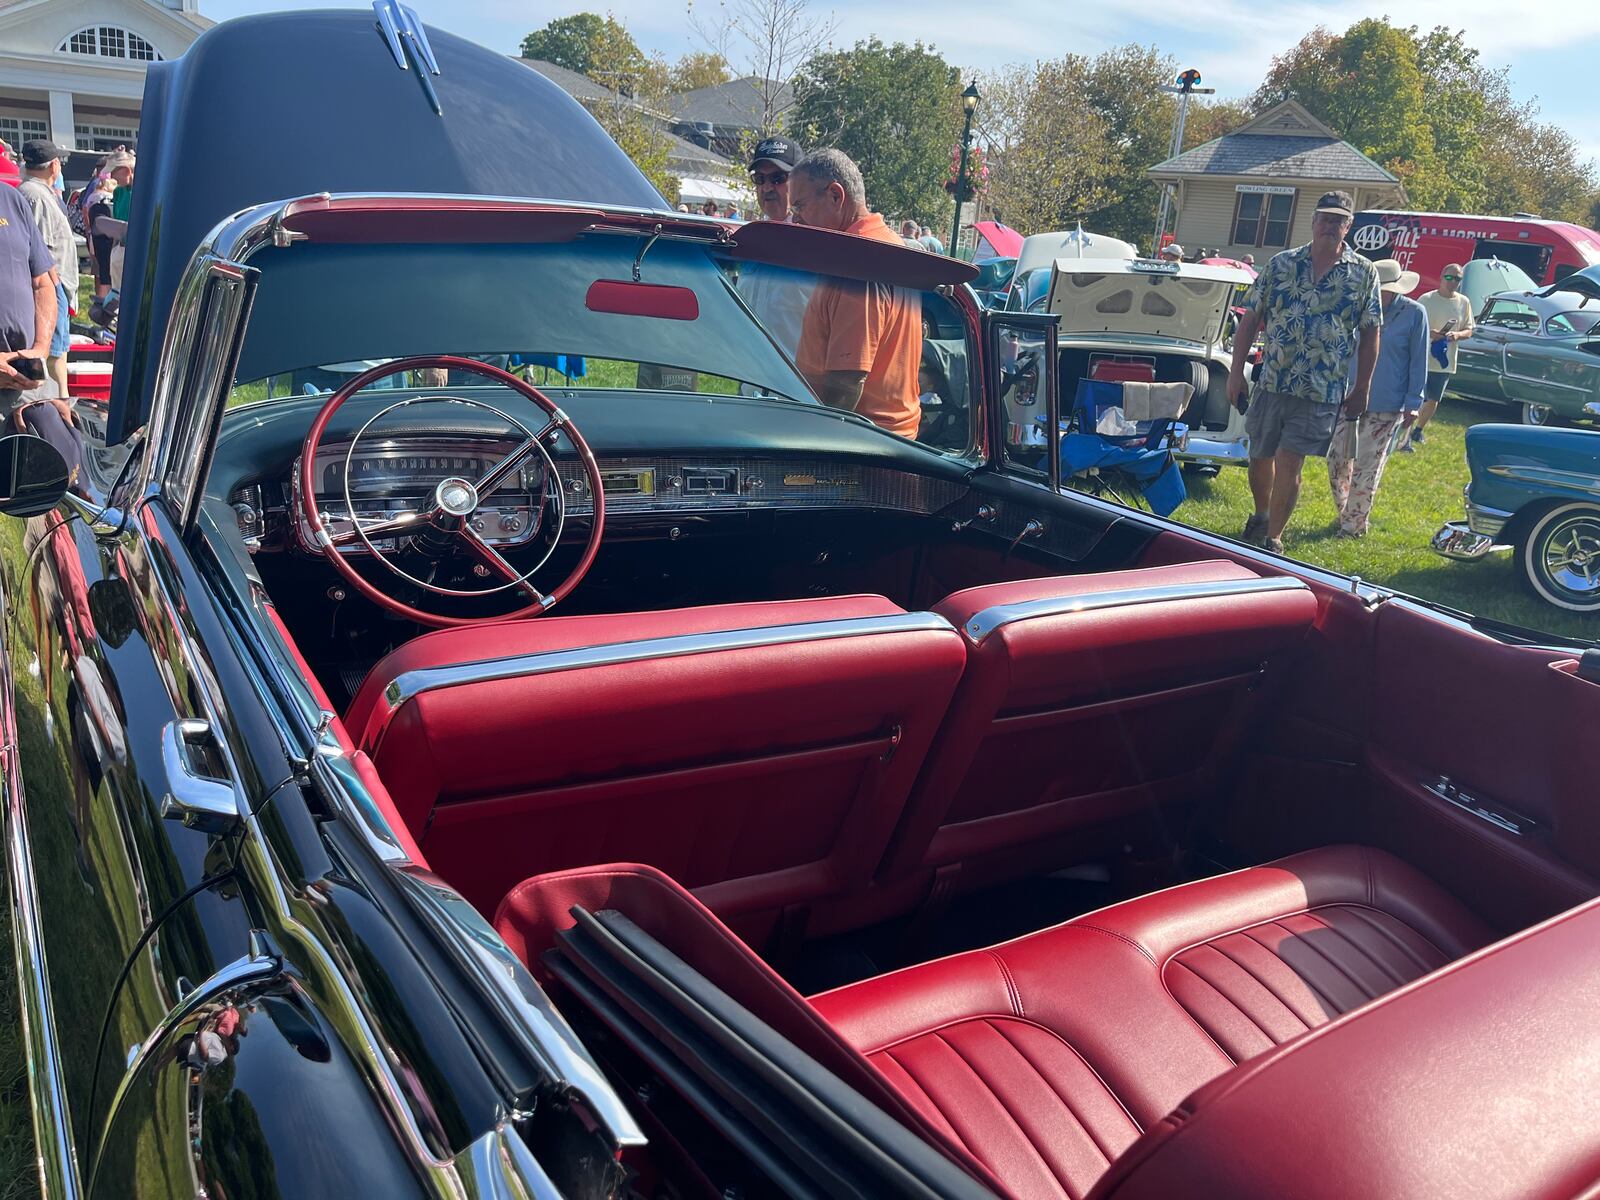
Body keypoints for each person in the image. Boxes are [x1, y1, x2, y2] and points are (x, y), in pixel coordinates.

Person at [1227, 190, 1381, 554]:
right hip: (1272, 380)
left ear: (1349, 226)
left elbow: (1372, 331)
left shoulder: (1363, 273)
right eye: (1325, 218)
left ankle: (1273, 538)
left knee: (1290, 459)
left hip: (1321, 389)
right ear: (1312, 222)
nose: (1331, 226)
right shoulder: (1281, 264)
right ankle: (1261, 513)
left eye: (1338, 220)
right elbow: (1250, 319)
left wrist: (1363, 388)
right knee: (1260, 456)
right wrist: (1236, 372)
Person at [788, 148, 923, 438]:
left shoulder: (858, 263)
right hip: (885, 441)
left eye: (799, 206)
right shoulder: (885, 243)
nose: (795, 220)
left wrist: (812, 443)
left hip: (864, 444)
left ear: (836, 196)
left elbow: (846, 384)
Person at [1327, 259, 1425, 537]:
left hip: (1388, 402)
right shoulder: (1356, 307)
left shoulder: (1414, 313)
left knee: (1367, 466)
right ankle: (1348, 511)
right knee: (1336, 459)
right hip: (1348, 398)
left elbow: (1419, 360)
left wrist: (1413, 403)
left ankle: (1352, 526)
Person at [736, 136, 812, 359]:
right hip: (749, 384)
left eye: (778, 178)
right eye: (759, 178)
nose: (767, 187)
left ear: (800, 182)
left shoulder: (816, 243)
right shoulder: (751, 239)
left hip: (796, 387)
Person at [17, 140, 77, 400]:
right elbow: (42, 251)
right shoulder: (35, 196)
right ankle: (57, 400)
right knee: (54, 349)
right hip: (52, 282)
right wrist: (54, 288)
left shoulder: (38, 193)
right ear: (53, 165)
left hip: (57, 282)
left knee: (59, 347)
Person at [0, 169, 60, 426]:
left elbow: (42, 283)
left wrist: (40, 349)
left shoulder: (11, 199)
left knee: (63, 459)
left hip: (27, 388)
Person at [1404, 260, 1474, 452]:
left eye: (1457, 279)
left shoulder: (1463, 302)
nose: (1452, 282)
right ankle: (1404, 437)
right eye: (1448, 277)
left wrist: (1456, 335)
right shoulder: (1426, 299)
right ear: (1441, 278)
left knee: (1433, 399)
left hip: (1444, 360)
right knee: (1415, 399)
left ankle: (1418, 430)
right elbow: (1411, 324)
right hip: (1422, 357)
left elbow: (1469, 329)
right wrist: (1429, 333)